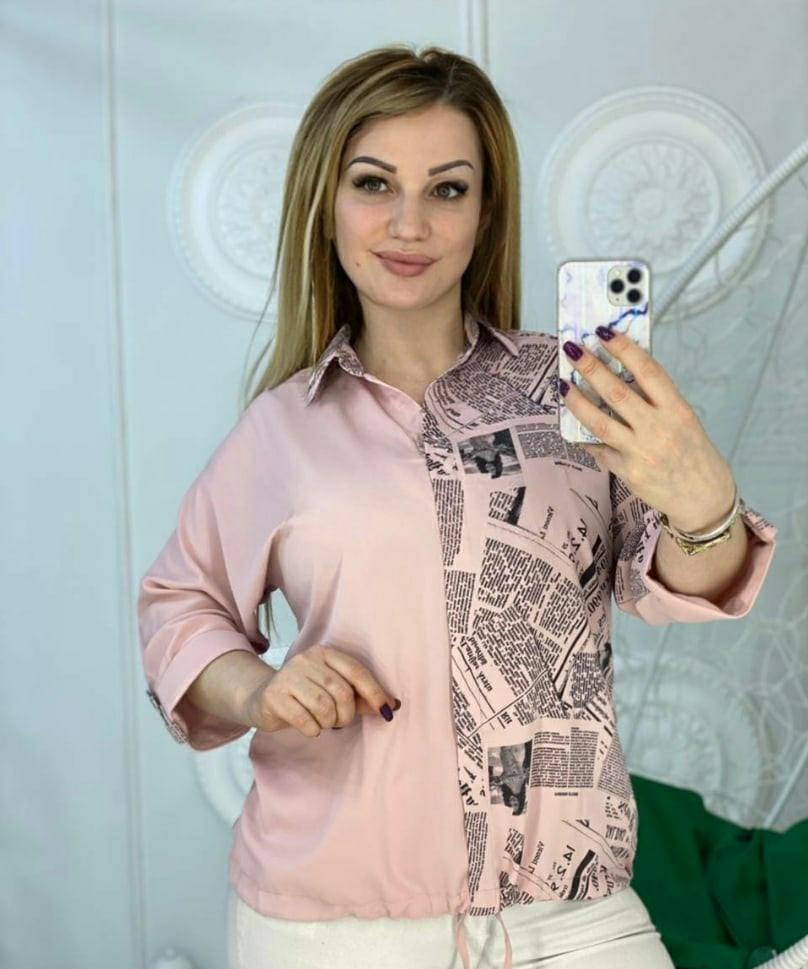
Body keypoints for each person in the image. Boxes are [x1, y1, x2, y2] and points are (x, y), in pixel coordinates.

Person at [137, 44, 778, 969]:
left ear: (485, 211)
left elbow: (679, 580)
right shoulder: (280, 428)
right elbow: (178, 605)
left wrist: (704, 503)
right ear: (326, 201)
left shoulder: (575, 391)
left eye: (447, 189)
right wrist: (260, 689)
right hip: (332, 927)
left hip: (572, 914)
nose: (409, 223)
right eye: (373, 183)